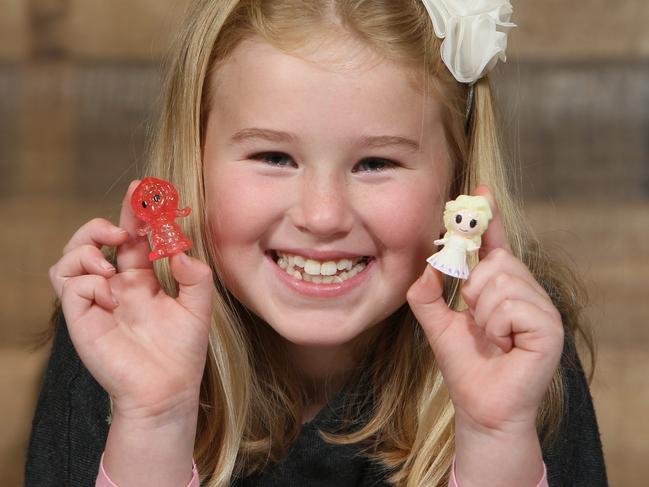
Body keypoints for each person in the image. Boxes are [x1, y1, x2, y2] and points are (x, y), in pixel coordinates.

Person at [25, 1, 609, 486]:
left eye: (376, 162)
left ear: (455, 187)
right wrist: (152, 420)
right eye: (273, 157)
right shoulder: (112, 333)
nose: (323, 216)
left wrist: (497, 435)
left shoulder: (516, 345)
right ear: (194, 163)